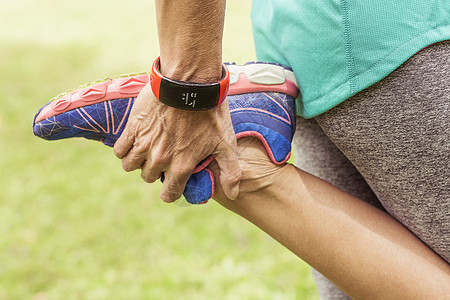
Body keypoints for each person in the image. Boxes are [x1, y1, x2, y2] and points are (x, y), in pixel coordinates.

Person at [97, 0, 450, 298]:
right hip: (407, 28)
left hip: (303, 41)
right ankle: (250, 173)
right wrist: (187, 88)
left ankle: (251, 170)